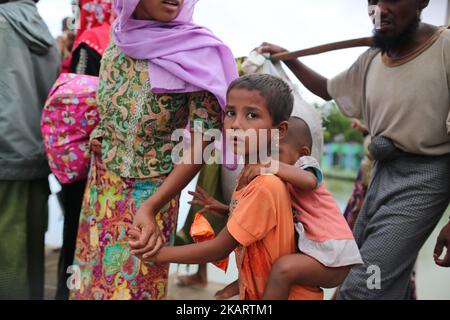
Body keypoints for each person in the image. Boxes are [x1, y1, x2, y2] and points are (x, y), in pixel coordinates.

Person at [258, 0, 450, 299]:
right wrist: (290, 60)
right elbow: (329, 89)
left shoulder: (444, 48)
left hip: (424, 179)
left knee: (364, 284)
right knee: (368, 274)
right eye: (373, 1)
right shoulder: (373, 57)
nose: (380, 9)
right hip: (380, 173)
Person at [69, 0, 237, 300]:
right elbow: (114, 103)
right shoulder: (118, 36)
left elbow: (204, 140)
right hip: (102, 186)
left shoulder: (198, 52)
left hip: (150, 196)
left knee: (132, 289)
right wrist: (103, 132)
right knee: (90, 282)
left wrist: (150, 207)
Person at [130, 74, 324, 300]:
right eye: (231, 112)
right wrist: (225, 208)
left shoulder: (266, 183)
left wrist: (157, 254)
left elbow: (220, 248)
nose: (236, 124)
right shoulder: (251, 176)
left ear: (279, 131)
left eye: (252, 115)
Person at [192, 116, 364, 300]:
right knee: (275, 262)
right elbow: (255, 215)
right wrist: (225, 209)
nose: (271, 159)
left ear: (302, 153)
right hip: (318, 255)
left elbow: (310, 181)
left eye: (277, 153)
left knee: (282, 268)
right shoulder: (282, 183)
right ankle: (239, 287)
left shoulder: (305, 166)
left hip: (333, 256)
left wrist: (270, 166)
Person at [0, 0, 60, 299]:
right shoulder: (43, 31)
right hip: (38, 153)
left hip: (5, 154)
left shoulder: (2, 23)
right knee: (30, 245)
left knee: (7, 254)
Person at [55, 0, 114, 301]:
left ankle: (68, 293)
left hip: (88, 158)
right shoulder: (141, 37)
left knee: (76, 238)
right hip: (126, 166)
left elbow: (77, 100)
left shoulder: (93, 38)